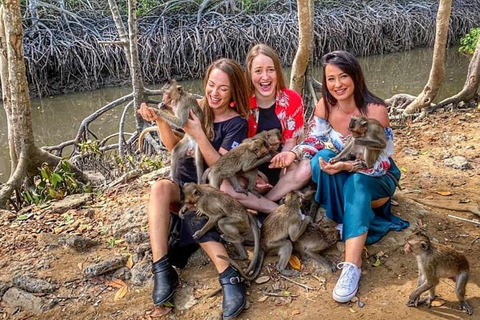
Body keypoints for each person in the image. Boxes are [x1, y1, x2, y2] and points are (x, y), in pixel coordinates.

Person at [137, 58, 250, 319]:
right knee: (159, 189)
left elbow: (220, 168)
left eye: (223, 88)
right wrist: (161, 119)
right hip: (181, 185)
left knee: (193, 210)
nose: (214, 93)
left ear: (233, 91)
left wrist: (200, 134)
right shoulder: (196, 107)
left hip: (209, 192)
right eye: (211, 85)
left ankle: (229, 275)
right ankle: (162, 270)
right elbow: (174, 147)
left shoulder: (237, 123)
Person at [307, 51, 409, 303]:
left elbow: (378, 165)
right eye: (331, 79)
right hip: (348, 168)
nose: (337, 84)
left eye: (343, 76)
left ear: (355, 76)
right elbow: (314, 141)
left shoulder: (375, 110)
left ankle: (352, 265)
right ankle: (348, 218)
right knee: (317, 162)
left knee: (357, 180)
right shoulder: (325, 105)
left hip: (377, 175)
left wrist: (347, 167)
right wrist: (293, 153)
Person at [220, 43, 309, 212]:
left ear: (277, 72)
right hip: (248, 167)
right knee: (225, 187)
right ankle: (273, 209)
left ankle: (265, 203)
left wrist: (284, 160)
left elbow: (291, 141)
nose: (265, 77)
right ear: (250, 74)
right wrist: (253, 175)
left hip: (280, 165)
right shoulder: (239, 103)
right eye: (258, 71)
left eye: (270, 69)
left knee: (306, 168)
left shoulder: (292, 100)